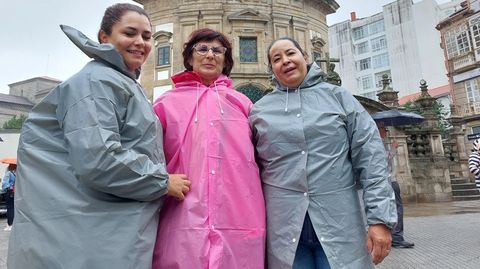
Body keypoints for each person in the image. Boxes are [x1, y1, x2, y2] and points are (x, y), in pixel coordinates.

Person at [7, 4, 191, 269]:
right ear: (104, 36)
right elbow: (98, 158)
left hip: (106, 231)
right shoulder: (97, 83)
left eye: (147, 36)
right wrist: (162, 182)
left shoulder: (118, 81)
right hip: (93, 237)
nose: (140, 42)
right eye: (129, 33)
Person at [249, 37, 397, 269]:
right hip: (284, 227)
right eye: (277, 59)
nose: (285, 61)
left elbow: (371, 159)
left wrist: (379, 219)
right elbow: (246, 167)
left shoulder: (339, 98)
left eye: (290, 53)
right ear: (271, 70)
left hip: (340, 221)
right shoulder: (259, 110)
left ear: (305, 57)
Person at [151, 28, 266, 269]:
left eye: (217, 50)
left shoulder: (243, 103)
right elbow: (147, 154)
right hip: (183, 213)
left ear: (226, 60)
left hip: (239, 213)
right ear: (189, 57)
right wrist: (162, 179)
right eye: (202, 49)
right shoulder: (165, 104)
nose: (210, 55)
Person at [385, 140, 415, 248]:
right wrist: (393, 149)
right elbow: (381, 160)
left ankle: (394, 236)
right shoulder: (373, 139)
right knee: (396, 208)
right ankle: (396, 238)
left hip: (388, 180)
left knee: (394, 208)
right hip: (386, 181)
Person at [2, 164, 16, 231]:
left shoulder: (8, 173)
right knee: (13, 208)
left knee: (9, 208)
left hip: (8, 191)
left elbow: (4, 184)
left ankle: (10, 225)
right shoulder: (15, 174)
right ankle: (10, 224)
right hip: (14, 192)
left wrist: (5, 189)